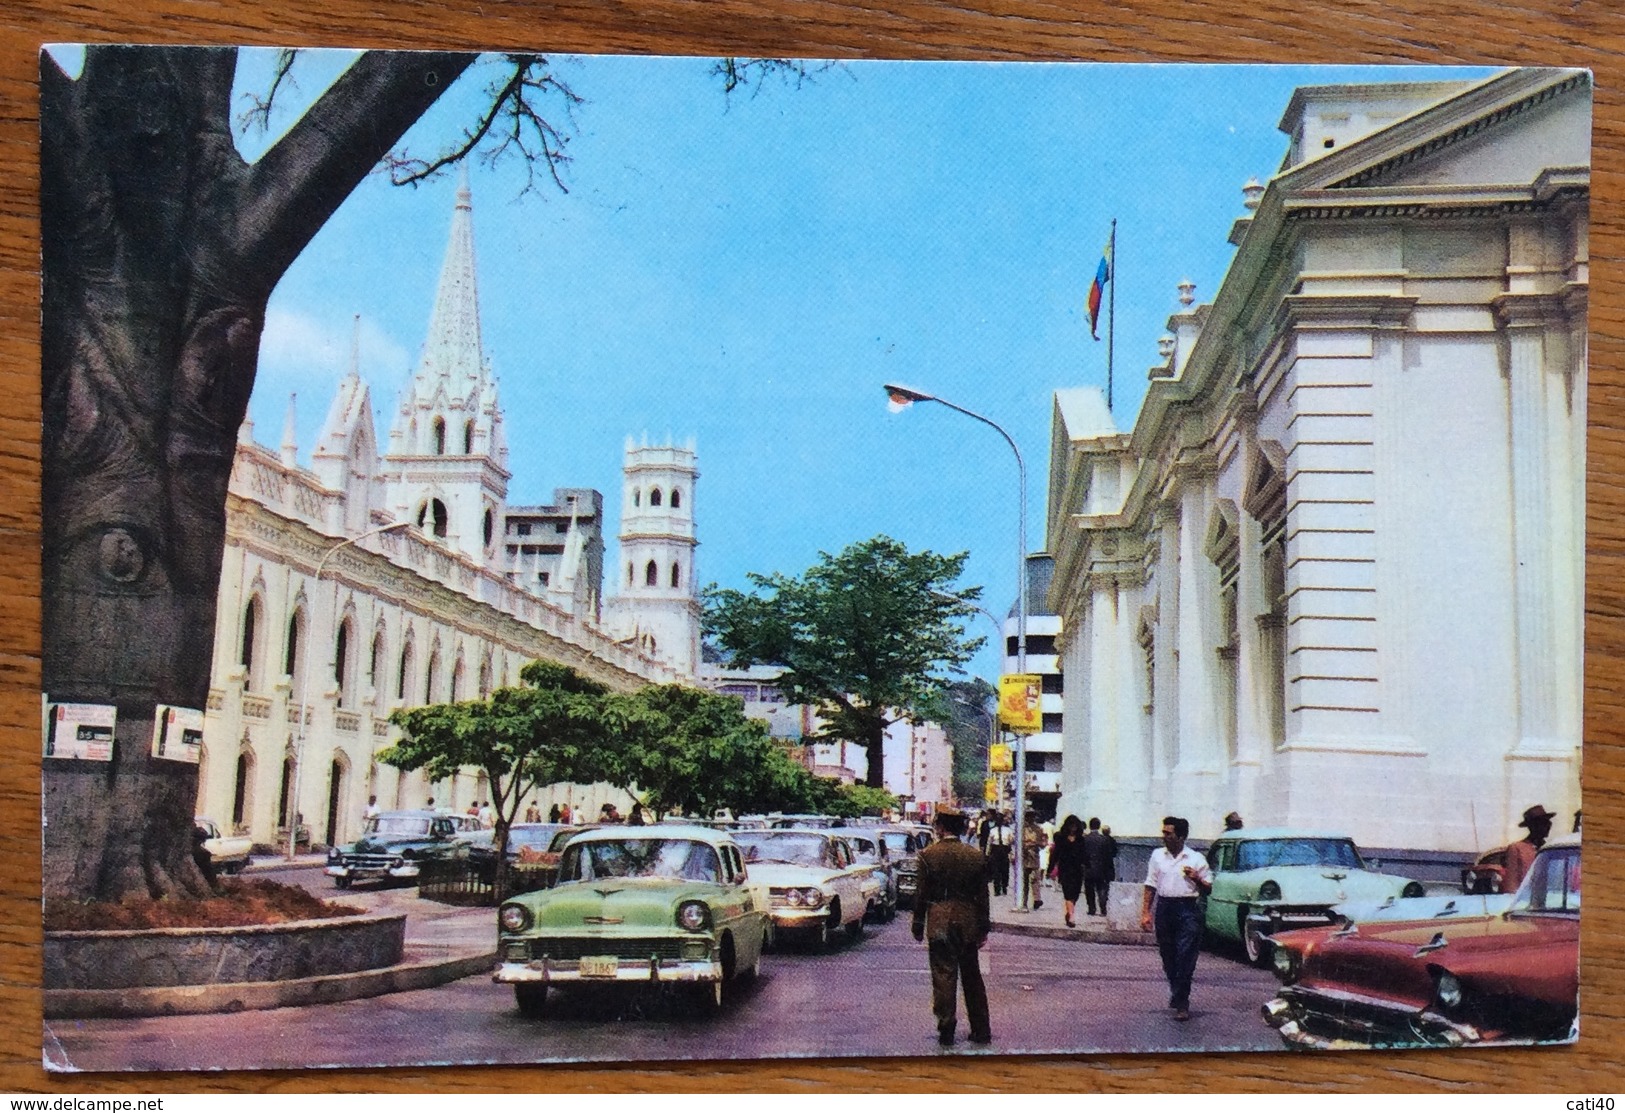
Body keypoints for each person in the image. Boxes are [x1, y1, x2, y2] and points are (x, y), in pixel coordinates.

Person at [910, 807, 992, 1046]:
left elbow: (921, 894)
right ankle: (981, 1028)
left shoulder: (928, 855)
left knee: (943, 975)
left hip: (939, 921)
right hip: (968, 921)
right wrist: (983, 927)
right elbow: (982, 895)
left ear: (940, 827)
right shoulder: (975, 856)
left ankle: (946, 1027)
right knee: (972, 977)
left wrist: (918, 923)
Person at [1140, 816, 1212, 1021]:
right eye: (1163, 832)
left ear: (1181, 836)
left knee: (1185, 957)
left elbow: (1208, 887)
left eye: (1168, 833)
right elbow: (1150, 884)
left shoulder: (1196, 859)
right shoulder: (1157, 856)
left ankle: (1182, 1002)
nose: (1164, 837)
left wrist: (1196, 878)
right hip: (1165, 908)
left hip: (1188, 909)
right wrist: (1146, 912)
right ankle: (1176, 990)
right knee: (1168, 955)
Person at [1502, 804, 1556, 893]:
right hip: (1524, 901)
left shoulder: (1548, 849)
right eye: (1543, 823)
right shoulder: (1517, 848)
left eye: (1548, 822)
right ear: (1532, 826)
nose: (1548, 826)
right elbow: (1511, 884)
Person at [1048, 815, 1087, 927]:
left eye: (1075, 826)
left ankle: (1069, 912)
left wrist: (1087, 865)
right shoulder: (1061, 838)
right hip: (1065, 869)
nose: (1073, 828)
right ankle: (1071, 916)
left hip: (1077, 869)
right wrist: (1051, 868)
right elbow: (1055, 854)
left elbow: (1084, 854)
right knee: (1068, 892)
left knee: (1075, 893)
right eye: (1071, 825)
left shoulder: (1081, 839)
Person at [1081, 817, 1114, 917]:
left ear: (1090, 826)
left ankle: (1092, 909)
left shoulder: (1085, 839)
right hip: (1101, 868)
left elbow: (1082, 855)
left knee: (1089, 889)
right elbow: (1108, 856)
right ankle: (1103, 908)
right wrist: (1109, 870)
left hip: (1088, 868)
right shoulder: (1104, 840)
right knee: (1101, 889)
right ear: (1099, 826)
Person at [1021, 814, 1048, 909]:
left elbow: (1043, 843)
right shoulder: (1021, 829)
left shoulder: (1038, 829)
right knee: (1023, 881)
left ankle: (1037, 899)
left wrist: (1036, 843)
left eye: (1032, 817)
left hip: (1034, 856)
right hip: (1023, 856)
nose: (1030, 819)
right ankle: (1023, 901)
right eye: (1028, 817)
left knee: (1035, 879)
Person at [983, 811, 1012, 897]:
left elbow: (1011, 841)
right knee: (995, 871)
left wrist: (1011, 852)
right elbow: (989, 842)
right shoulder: (992, 831)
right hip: (995, 851)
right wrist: (987, 854)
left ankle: (1004, 887)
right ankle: (997, 889)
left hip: (1004, 850)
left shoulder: (1008, 830)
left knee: (1005, 871)